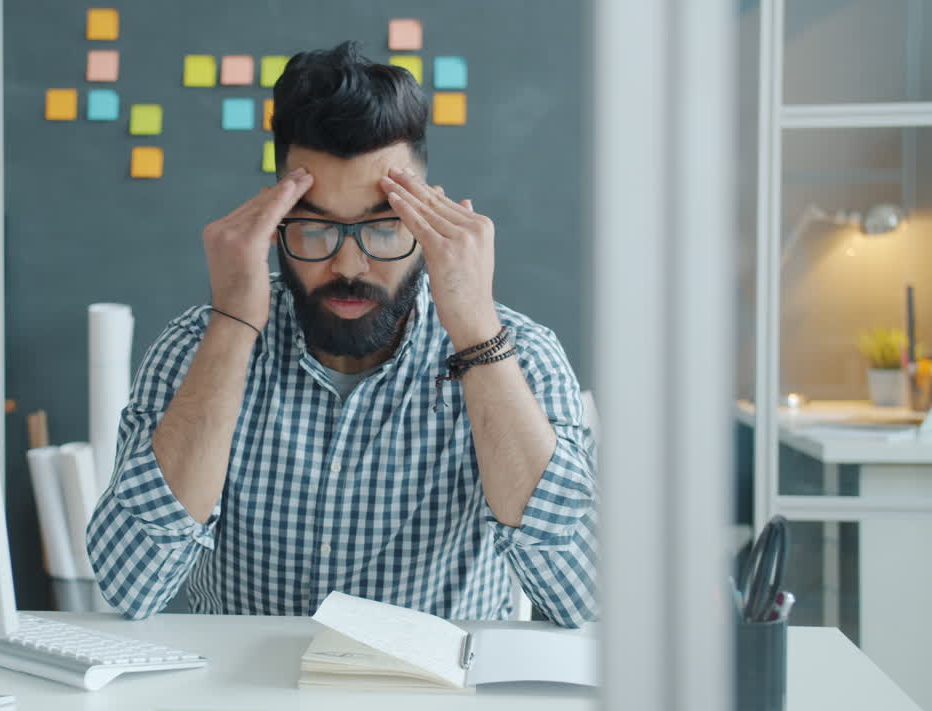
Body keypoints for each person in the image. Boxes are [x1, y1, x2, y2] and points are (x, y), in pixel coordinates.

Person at [87, 41, 596, 627]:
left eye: (384, 228)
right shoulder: (196, 347)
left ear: (427, 220)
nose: (349, 267)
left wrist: (476, 329)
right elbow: (132, 586)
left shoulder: (519, 355)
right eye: (315, 229)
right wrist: (232, 325)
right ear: (275, 227)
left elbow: (583, 600)